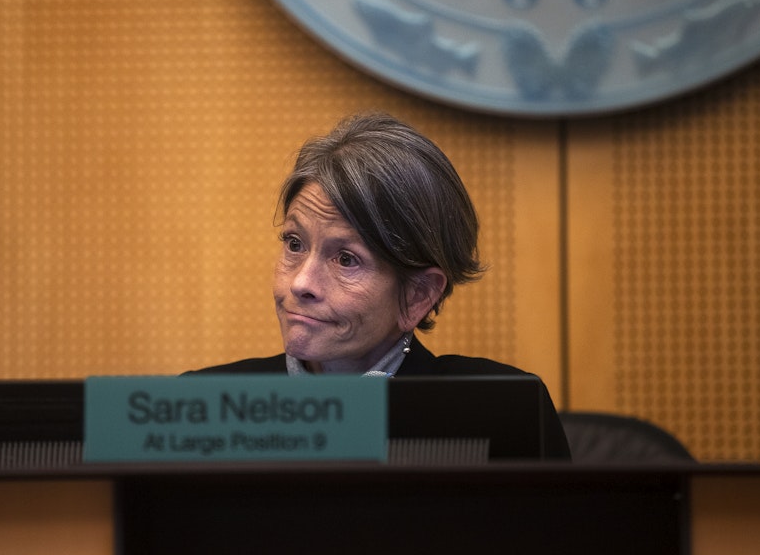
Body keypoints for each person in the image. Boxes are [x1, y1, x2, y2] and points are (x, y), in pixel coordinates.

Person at [191, 112, 570, 459]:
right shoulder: (203, 407)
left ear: (418, 295)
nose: (301, 283)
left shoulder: (499, 412)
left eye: (346, 259)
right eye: (294, 243)